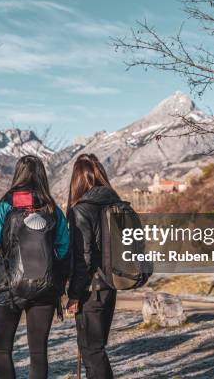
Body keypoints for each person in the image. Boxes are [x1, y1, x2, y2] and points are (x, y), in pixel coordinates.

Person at [0, 155, 69, 379]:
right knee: (38, 352)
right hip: (44, 290)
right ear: (42, 176)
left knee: (3, 351)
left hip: (7, 289)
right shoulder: (52, 210)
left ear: (17, 175)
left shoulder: (4, 207)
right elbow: (63, 251)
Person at [66, 153, 121, 379]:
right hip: (112, 285)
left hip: (92, 291)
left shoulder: (80, 210)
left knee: (91, 351)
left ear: (77, 180)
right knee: (97, 349)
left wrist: (74, 294)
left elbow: (84, 258)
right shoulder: (117, 203)